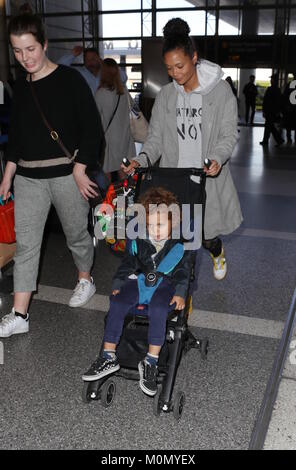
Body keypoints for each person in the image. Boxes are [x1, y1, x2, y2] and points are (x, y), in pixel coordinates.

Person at [0, 13, 103, 338]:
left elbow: (92, 129)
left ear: (44, 44)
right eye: (17, 51)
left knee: (76, 234)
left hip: (66, 176)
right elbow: (16, 136)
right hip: (28, 178)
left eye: (30, 48)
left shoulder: (70, 80)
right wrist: (8, 173)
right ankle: (20, 314)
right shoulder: (22, 86)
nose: (24, 57)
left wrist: (80, 166)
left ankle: (85, 278)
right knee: (27, 245)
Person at [122, 18, 243, 281]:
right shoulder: (167, 95)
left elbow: (227, 134)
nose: (175, 73)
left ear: (194, 58)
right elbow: (155, 139)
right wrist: (141, 160)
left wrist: (218, 159)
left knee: (205, 235)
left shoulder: (220, 91)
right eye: (169, 68)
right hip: (174, 180)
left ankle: (217, 249)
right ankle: (178, 294)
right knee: (174, 239)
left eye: (180, 66)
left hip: (205, 179)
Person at [82, 186, 192, 396]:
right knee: (118, 303)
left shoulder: (179, 246)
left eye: (160, 224)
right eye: (150, 225)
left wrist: (179, 292)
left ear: (174, 222)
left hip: (165, 284)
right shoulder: (138, 241)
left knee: (160, 309)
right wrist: (118, 283)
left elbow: (183, 273)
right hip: (138, 281)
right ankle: (108, 355)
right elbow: (128, 263)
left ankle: (150, 361)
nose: (155, 229)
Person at [95, 58, 136, 182]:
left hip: (109, 142)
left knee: (107, 171)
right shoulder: (124, 92)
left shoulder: (101, 93)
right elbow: (134, 111)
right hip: (125, 139)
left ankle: (114, 198)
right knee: (124, 171)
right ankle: (126, 198)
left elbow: (95, 119)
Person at [58, 46, 128, 96]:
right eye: (87, 60)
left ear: (99, 59)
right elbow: (59, 69)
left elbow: (123, 78)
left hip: (105, 113)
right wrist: (72, 55)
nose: (90, 62)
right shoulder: (79, 73)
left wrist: (103, 64)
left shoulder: (106, 73)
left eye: (93, 59)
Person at [260, 74, 284, 147]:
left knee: (269, 126)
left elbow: (266, 101)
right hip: (272, 111)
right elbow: (279, 102)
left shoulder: (270, 89)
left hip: (270, 111)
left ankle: (274, 140)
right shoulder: (277, 90)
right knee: (269, 126)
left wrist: (264, 110)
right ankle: (275, 140)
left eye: (272, 79)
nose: (271, 80)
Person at [282, 73, 296, 144]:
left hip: (290, 107)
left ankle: (289, 137)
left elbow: (285, 96)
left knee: (289, 123)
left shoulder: (290, 85)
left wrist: (286, 105)